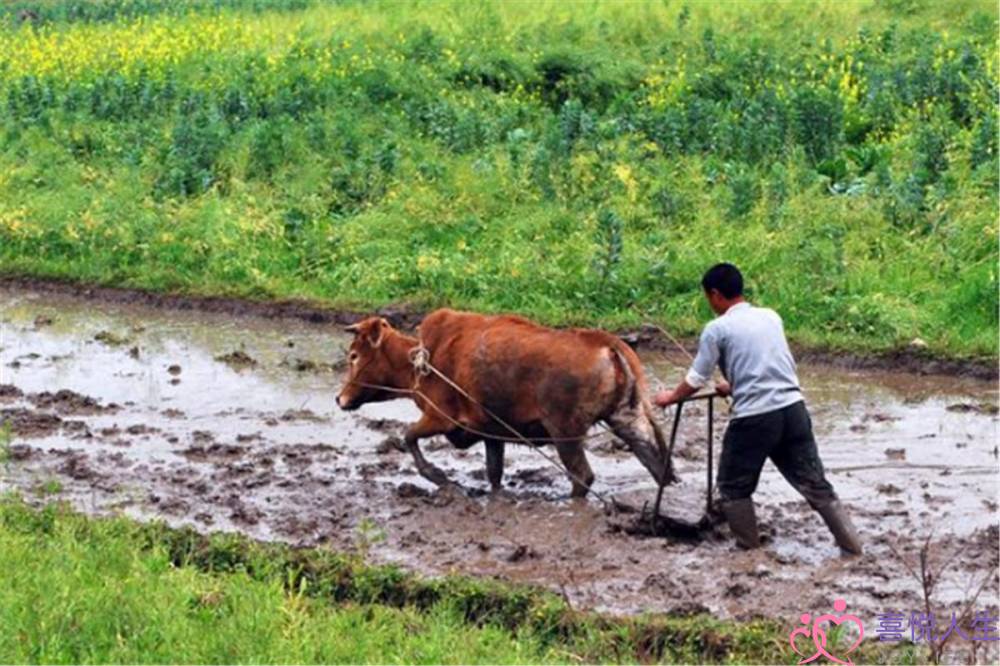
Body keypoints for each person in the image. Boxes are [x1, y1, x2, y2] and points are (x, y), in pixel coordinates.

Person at [654, 263, 862, 555]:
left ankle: (748, 551)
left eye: (707, 298)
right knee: (815, 483)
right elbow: (770, 364)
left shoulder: (717, 329)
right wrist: (735, 385)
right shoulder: (770, 317)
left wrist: (670, 397)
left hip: (755, 419)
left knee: (732, 486)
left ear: (714, 295)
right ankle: (853, 548)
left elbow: (696, 378)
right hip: (793, 411)